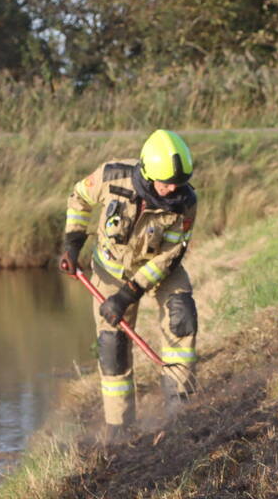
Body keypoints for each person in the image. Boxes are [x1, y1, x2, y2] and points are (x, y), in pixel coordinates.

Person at [58, 129, 199, 439]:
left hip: (160, 268)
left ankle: (181, 411)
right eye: (166, 183)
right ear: (147, 173)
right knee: (113, 346)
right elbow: (79, 197)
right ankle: (119, 427)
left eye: (179, 183)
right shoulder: (111, 175)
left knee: (182, 316)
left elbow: (168, 257)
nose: (173, 189)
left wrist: (128, 295)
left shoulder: (185, 202)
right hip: (110, 273)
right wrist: (72, 244)